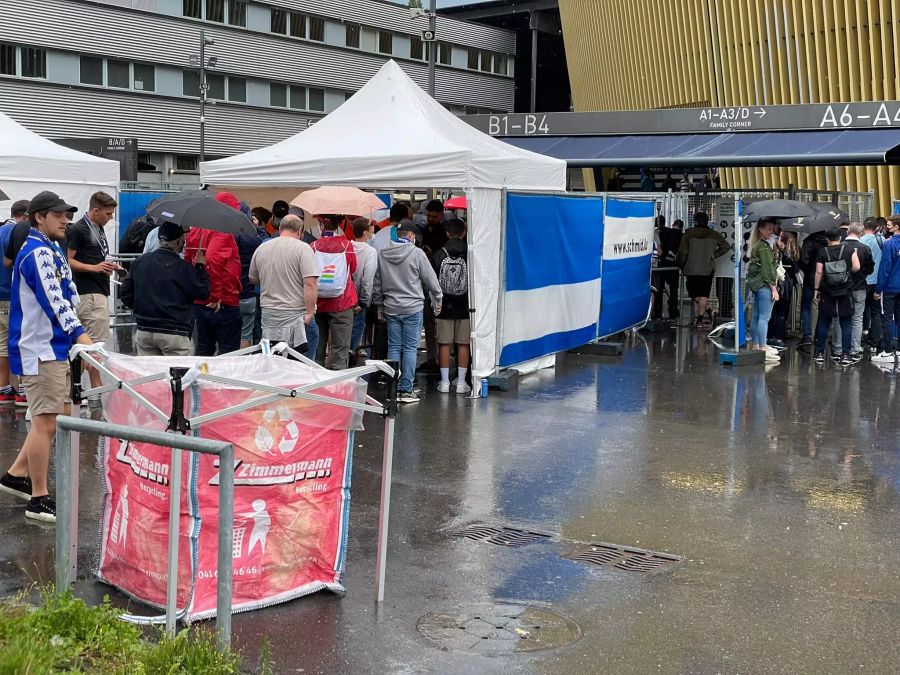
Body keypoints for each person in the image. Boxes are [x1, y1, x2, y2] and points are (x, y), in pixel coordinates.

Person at [0, 191, 93, 523]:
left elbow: (66, 293)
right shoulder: (37, 250)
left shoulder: (48, 247)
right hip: (40, 347)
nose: (66, 220)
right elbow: (54, 301)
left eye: (66, 214)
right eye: (58, 215)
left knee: (52, 418)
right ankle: (37, 498)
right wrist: (81, 334)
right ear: (39, 217)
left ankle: (15, 475)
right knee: (45, 422)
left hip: (50, 346)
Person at [373, 220, 442, 403]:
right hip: (413, 306)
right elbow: (430, 278)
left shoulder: (382, 254)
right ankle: (406, 389)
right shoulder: (417, 253)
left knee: (394, 347)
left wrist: (379, 305)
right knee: (410, 349)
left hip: (391, 307)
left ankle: (392, 388)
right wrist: (438, 297)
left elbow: (377, 281)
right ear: (411, 235)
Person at [120, 222, 209, 356]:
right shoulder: (183, 268)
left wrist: (143, 307)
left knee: (148, 375)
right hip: (175, 331)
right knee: (178, 375)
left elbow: (126, 294)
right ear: (179, 242)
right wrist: (200, 267)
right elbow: (202, 292)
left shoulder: (140, 262)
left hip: (145, 329)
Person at [65, 191, 121, 405]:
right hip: (87, 292)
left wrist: (109, 267)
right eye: (107, 214)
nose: (110, 218)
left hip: (97, 290)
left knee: (90, 345)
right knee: (93, 345)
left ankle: (78, 388)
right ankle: (91, 389)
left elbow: (93, 258)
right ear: (95, 210)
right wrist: (94, 267)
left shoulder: (97, 227)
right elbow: (68, 260)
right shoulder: (79, 229)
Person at [248, 214, 319, 355]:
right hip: (296, 317)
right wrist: (310, 312)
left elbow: (253, 278)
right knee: (302, 363)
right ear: (300, 231)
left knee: (273, 360)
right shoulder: (303, 249)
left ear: (280, 229)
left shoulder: (262, 248)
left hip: (269, 317)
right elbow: (310, 283)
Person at [184, 192, 242, 356]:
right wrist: (215, 295)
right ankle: (223, 382)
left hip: (200, 301)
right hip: (223, 301)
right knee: (228, 354)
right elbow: (213, 260)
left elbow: (189, 261)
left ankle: (202, 380)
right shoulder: (222, 231)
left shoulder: (195, 230)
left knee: (204, 350)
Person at [311, 216, 358, 369]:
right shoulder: (347, 245)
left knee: (318, 345)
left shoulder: (313, 246)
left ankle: (315, 381)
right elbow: (353, 268)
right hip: (342, 303)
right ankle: (338, 383)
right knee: (340, 347)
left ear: (321, 225)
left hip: (318, 302)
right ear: (339, 224)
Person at [432, 218, 471, 394]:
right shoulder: (470, 252)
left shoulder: (439, 253)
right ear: (463, 232)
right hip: (466, 305)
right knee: (463, 344)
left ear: (447, 233)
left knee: (444, 344)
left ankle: (445, 382)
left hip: (444, 304)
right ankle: (462, 382)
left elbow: (432, 281)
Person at [814, 227, 860, 365]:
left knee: (824, 321)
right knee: (845, 322)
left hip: (828, 291)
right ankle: (845, 355)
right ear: (840, 237)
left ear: (827, 239)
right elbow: (857, 267)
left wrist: (816, 289)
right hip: (845, 290)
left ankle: (820, 353)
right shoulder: (849, 250)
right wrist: (846, 272)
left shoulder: (823, 251)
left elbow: (818, 271)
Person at [676, 211, 728, 329]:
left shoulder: (689, 234)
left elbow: (682, 251)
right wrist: (714, 254)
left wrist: (681, 263)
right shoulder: (713, 234)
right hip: (707, 268)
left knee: (693, 294)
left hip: (691, 268)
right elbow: (726, 246)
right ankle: (706, 315)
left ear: (695, 221)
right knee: (704, 294)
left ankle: (703, 317)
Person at [0, 199, 29, 404]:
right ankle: (23, 390)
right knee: (21, 341)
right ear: (25, 215)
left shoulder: (1, 230)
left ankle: (3, 389)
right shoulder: (18, 232)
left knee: (1, 345)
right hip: (13, 295)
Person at [746, 218, 781, 363]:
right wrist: (774, 288)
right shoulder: (764, 248)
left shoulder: (757, 245)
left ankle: (756, 344)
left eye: (772, 229)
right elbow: (768, 270)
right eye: (768, 229)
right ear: (760, 229)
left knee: (756, 316)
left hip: (756, 285)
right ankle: (762, 346)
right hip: (765, 285)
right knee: (764, 317)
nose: (771, 232)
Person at [419, 199, 447, 372]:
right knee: (429, 323)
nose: (430, 219)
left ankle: (440, 360)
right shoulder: (422, 231)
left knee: (440, 325)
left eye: (433, 216)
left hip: (440, 283)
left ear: (441, 216)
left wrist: (432, 255)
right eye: (428, 215)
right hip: (424, 283)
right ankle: (431, 359)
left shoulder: (444, 234)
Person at [842, 222, 875, 361]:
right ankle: (855, 349)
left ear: (848, 231)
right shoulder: (865, 248)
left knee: (842, 318)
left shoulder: (840, 247)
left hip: (842, 287)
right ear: (861, 233)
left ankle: (840, 348)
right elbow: (870, 268)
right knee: (857, 319)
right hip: (860, 286)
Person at [350, 217, 377, 363]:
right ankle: (350, 360)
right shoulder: (370, 251)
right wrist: (364, 302)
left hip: (344, 298)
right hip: (358, 299)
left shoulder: (347, 246)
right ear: (366, 232)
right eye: (371, 228)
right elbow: (368, 278)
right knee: (356, 332)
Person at [874, 215, 900, 362]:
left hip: (889, 287)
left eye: (890, 225)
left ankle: (888, 351)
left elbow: (885, 268)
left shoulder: (889, 245)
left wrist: (878, 289)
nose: (887, 227)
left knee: (887, 318)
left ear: (896, 226)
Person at [768, 230, 799, 346]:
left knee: (773, 311)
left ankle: (769, 336)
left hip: (776, 283)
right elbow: (795, 269)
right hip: (787, 285)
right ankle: (779, 337)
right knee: (782, 312)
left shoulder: (775, 249)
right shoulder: (794, 251)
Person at [797, 229, 829, 346]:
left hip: (810, 279)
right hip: (826, 279)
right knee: (822, 307)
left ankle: (807, 335)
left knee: (806, 306)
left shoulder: (809, 241)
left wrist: (809, 270)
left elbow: (803, 261)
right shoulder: (828, 241)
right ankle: (819, 335)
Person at [236, 226, 264, 349]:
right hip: (248, 292)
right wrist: (258, 228)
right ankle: (243, 363)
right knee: (246, 334)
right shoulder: (253, 241)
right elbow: (265, 242)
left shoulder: (228, 239)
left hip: (230, 294)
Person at [860, 217, 885, 350]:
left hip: (862, 281)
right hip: (876, 281)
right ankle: (874, 341)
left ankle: (859, 339)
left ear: (864, 227)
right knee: (876, 312)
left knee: (860, 310)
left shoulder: (860, 241)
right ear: (876, 228)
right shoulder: (881, 240)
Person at [657, 217, 683, 319]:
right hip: (674, 266)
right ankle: (673, 311)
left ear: (673, 225)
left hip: (662, 264)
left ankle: (658, 311)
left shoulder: (664, 232)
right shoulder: (681, 235)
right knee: (673, 290)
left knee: (659, 289)